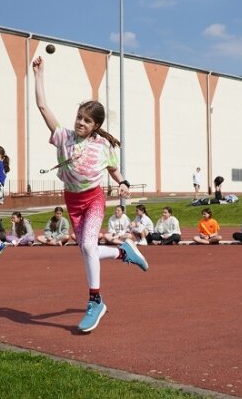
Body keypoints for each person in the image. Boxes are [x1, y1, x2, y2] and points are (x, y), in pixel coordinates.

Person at [33, 56, 148, 333]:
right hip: (72, 202)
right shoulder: (63, 137)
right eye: (78, 118)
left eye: (86, 120)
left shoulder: (103, 146)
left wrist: (123, 184)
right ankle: (123, 252)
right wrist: (38, 74)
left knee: (86, 247)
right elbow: (42, 105)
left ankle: (95, 300)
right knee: (88, 249)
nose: (80, 123)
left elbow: (115, 173)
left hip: (94, 199)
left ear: (95, 125)